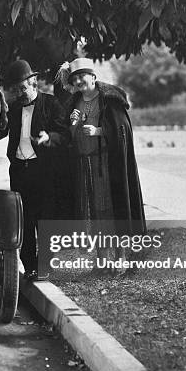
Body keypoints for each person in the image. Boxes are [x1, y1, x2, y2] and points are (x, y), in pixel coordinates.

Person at [57, 57, 146, 253]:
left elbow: (121, 130)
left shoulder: (110, 100)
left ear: (93, 76)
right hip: (83, 165)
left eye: (82, 76)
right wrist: (73, 124)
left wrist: (98, 131)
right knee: (92, 213)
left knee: (110, 211)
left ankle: (118, 258)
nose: (79, 81)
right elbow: (68, 135)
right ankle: (101, 259)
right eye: (75, 79)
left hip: (106, 165)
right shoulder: (74, 102)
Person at [0, 59, 69, 279]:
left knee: (45, 220)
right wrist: (0, 113)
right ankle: (31, 267)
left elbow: (64, 135)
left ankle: (46, 267)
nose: (20, 93)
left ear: (34, 83)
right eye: (16, 90)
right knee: (23, 222)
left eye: (23, 88)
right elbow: (1, 132)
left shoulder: (52, 104)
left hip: (43, 170)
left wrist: (49, 137)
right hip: (19, 171)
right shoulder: (15, 107)